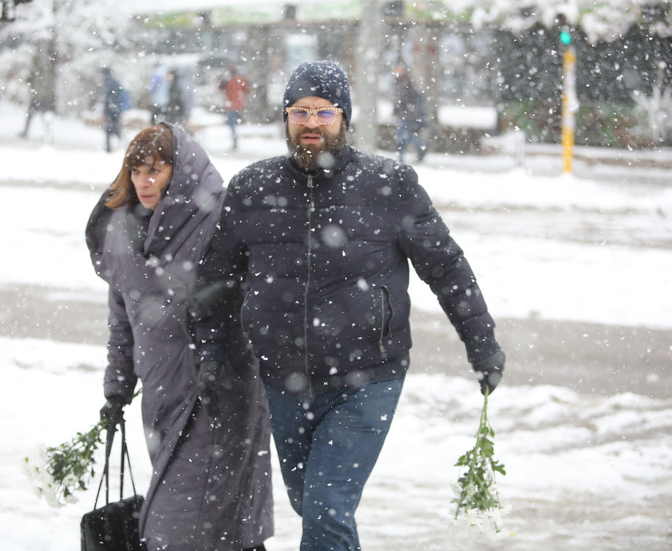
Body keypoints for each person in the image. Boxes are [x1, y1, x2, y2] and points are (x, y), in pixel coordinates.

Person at [189, 60, 506, 551]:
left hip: (368, 376)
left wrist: (481, 342)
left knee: (327, 507)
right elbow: (216, 280)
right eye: (299, 111)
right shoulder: (253, 187)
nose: (311, 123)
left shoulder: (390, 184)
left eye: (323, 111)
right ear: (286, 117)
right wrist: (209, 351)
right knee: (310, 503)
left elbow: (446, 266)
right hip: (283, 378)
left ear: (344, 116)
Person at [84, 123, 274, 551]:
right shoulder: (122, 234)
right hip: (162, 397)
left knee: (181, 528)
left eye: (155, 170)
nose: (143, 182)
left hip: (219, 394)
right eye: (136, 171)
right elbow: (122, 322)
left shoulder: (216, 222)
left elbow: (253, 296)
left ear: (181, 171)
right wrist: (116, 391)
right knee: (219, 529)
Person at [19, 47, 57, 141]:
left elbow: (30, 79)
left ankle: (29, 132)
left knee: (34, 115)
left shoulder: (39, 70)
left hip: (39, 94)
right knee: (43, 116)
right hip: (43, 95)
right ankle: (46, 135)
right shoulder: (49, 69)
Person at [393, 65, 428, 163]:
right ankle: (401, 157)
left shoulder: (403, 83)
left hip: (407, 114)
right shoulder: (404, 82)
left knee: (402, 136)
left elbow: (400, 99)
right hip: (408, 113)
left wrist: (396, 110)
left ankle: (420, 146)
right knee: (402, 137)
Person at [219, 65, 250, 150]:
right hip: (239, 104)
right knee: (234, 123)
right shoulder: (241, 79)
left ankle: (235, 140)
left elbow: (221, 88)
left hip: (231, 105)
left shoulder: (228, 80)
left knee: (232, 124)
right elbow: (247, 89)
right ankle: (235, 139)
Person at [99, 67, 129, 153]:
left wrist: (104, 112)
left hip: (111, 110)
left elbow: (107, 99)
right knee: (114, 128)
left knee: (109, 128)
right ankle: (121, 144)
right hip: (116, 109)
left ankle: (109, 148)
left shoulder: (108, 83)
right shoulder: (114, 82)